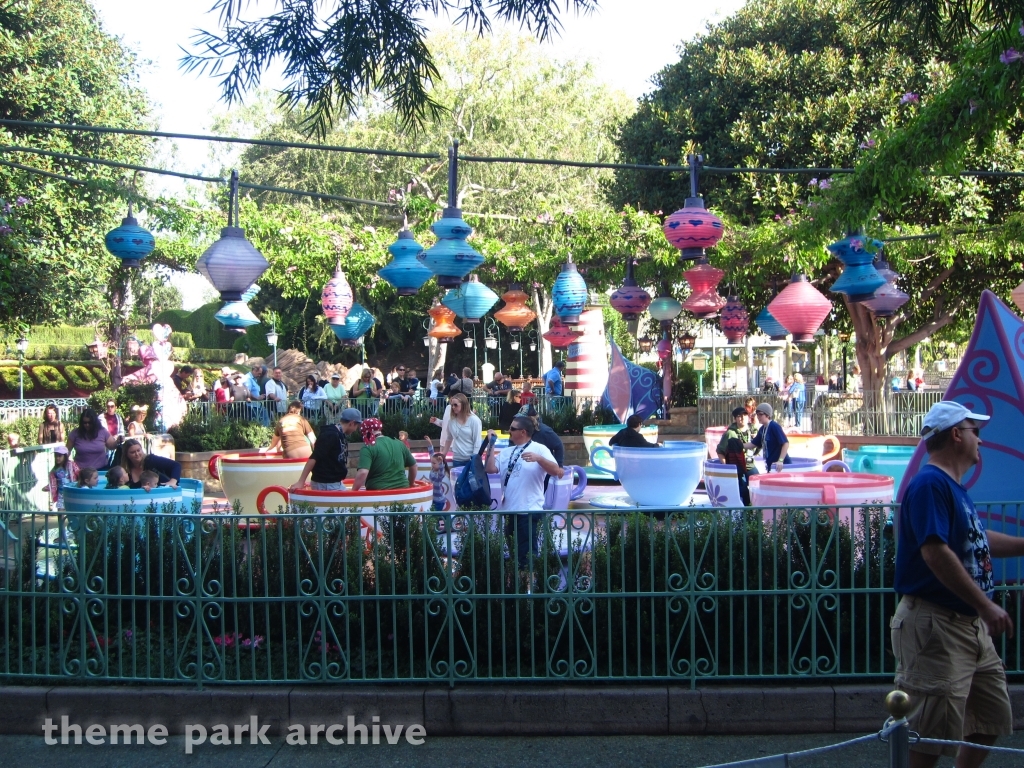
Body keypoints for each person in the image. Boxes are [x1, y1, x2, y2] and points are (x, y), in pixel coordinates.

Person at [891, 401, 1023, 768]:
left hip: (967, 626)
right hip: (937, 625)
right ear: (956, 435)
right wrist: (985, 605)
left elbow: (976, 540)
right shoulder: (930, 484)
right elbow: (935, 551)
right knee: (929, 735)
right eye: (975, 432)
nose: (981, 440)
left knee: (991, 715)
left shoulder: (950, 488)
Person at [485, 417, 563, 572]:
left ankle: (528, 585)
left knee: (527, 559)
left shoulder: (539, 449)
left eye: (512, 429)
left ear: (523, 432)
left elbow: (557, 471)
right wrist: (490, 444)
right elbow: (489, 468)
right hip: (509, 510)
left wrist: (539, 459)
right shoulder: (507, 451)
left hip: (528, 511)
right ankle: (518, 584)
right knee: (514, 556)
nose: (509, 431)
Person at [291, 408, 363, 490]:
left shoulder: (339, 434)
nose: (355, 429)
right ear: (352, 423)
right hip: (327, 484)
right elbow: (314, 457)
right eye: (357, 426)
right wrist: (301, 481)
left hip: (332, 482)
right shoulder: (330, 435)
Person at [350, 418, 417, 491]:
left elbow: (363, 472)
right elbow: (414, 465)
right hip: (403, 490)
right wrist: (411, 484)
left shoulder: (368, 447)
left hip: (378, 492)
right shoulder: (399, 443)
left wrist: (353, 491)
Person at [430, 392, 482, 469]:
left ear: (463, 404)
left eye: (455, 405)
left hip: (471, 459)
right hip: (457, 459)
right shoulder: (451, 421)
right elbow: (449, 439)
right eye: (452, 405)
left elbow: (477, 442)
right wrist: (443, 455)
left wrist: (474, 460)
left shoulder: (474, 420)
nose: (453, 407)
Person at [716, 407, 756, 505]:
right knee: (743, 491)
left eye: (745, 415)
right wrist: (727, 467)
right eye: (739, 416)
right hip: (737, 467)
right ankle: (746, 511)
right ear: (735, 419)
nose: (742, 418)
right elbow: (720, 451)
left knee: (758, 485)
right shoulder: (730, 433)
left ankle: (757, 510)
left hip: (750, 465)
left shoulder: (753, 430)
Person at [746, 403, 791, 472]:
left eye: (760, 414)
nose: (758, 417)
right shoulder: (762, 429)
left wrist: (780, 460)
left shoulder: (774, 426)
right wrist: (739, 444)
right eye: (757, 414)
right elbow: (753, 444)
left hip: (781, 466)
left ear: (767, 415)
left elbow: (785, 443)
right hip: (771, 465)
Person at [48, 445, 78, 511]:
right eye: (56, 456)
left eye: (60, 456)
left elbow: (79, 473)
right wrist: (49, 487)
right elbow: (53, 482)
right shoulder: (54, 470)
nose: (57, 458)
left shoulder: (72, 464)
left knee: (73, 510)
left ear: (65, 456)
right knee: (60, 511)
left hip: (72, 492)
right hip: (61, 494)